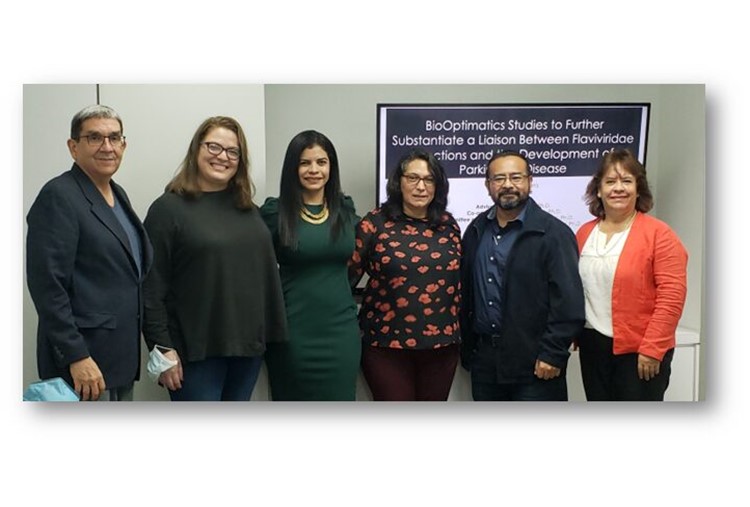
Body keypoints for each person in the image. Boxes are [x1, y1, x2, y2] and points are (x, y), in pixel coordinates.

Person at [142, 116, 287, 401]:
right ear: (196, 149)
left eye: (233, 151)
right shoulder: (167, 209)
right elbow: (151, 287)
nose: (223, 157)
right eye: (214, 147)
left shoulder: (248, 209)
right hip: (195, 353)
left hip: (247, 350)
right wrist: (161, 348)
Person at [26, 104, 153, 401]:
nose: (107, 147)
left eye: (114, 137)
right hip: (84, 365)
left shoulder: (117, 193)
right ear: (73, 147)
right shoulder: (59, 196)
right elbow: (48, 286)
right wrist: (76, 355)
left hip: (118, 359)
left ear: (123, 145)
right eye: (94, 137)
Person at [459, 149, 585, 401]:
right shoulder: (476, 229)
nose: (508, 185)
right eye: (499, 178)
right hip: (485, 362)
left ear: (530, 181)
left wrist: (552, 354)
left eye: (516, 177)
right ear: (488, 185)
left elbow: (568, 302)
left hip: (535, 365)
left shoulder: (553, 233)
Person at [349, 149, 462, 401]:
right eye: (413, 178)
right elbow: (346, 279)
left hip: (442, 347)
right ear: (398, 182)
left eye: (429, 179)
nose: (421, 187)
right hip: (385, 346)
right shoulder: (374, 224)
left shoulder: (448, 225)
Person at [576, 149, 687, 401]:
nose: (618, 188)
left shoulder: (659, 234)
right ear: (598, 190)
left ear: (638, 189)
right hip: (593, 346)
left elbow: (672, 297)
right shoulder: (584, 233)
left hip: (640, 350)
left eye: (626, 181)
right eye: (610, 181)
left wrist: (653, 348)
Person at [261, 130, 360, 401]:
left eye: (321, 162)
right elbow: (254, 269)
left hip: (341, 333)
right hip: (292, 333)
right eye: (304, 163)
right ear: (292, 168)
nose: (314, 170)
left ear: (331, 167)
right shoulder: (275, 212)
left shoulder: (345, 210)